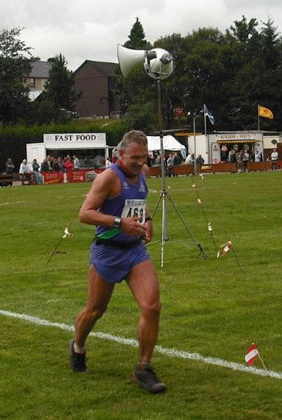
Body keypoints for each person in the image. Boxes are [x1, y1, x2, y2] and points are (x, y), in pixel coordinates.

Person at [70, 130, 166, 394]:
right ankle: (78, 345)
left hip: (134, 251)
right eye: (134, 157)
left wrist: (147, 221)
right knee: (95, 311)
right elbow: (84, 214)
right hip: (108, 251)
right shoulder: (108, 178)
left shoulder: (142, 173)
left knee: (152, 306)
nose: (139, 162)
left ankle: (143, 368)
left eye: (143, 157)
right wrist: (118, 223)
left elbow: (137, 205)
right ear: (120, 154)